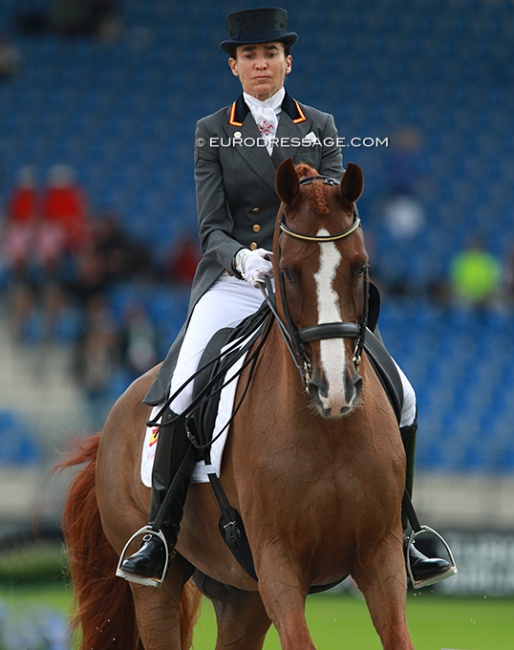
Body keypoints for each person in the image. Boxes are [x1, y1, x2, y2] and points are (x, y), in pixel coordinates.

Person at [118, 8, 454, 588]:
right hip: (234, 281)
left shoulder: (319, 124)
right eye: (249, 56)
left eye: (270, 54)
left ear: (287, 61)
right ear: (234, 66)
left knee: (406, 396)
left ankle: (408, 529)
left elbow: (331, 204)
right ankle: (159, 531)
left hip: (305, 283)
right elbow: (210, 227)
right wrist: (242, 258)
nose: (260, 64)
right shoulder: (211, 130)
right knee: (178, 390)